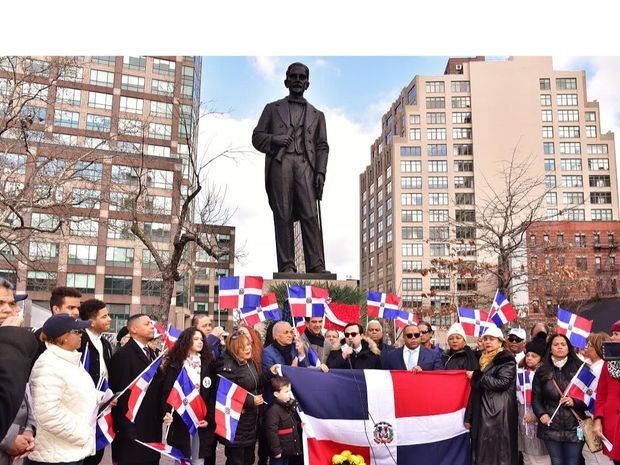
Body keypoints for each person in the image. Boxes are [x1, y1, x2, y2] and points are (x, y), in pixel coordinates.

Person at [252, 62, 330, 273]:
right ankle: (287, 265)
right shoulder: (272, 109)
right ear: (286, 81)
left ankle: (316, 265)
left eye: (301, 77)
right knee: (283, 214)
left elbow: (322, 146)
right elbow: (257, 137)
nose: (297, 81)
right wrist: (276, 139)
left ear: (307, 83)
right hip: (281, 163)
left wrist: (321, 172)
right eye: (293, 77)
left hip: (306, 165)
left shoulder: (317, 115)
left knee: (310, 215)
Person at [27, 313, 98, 465]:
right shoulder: (48, 365)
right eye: (77, 332)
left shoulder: (68, 359)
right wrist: (83, 434)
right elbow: (47, 414)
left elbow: (74, 392)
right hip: (55, 457)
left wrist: (102, 397)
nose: (82, 335)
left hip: (68, 451)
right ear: (63, 337)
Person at [218, 331, 279, 465]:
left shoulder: (248, 362)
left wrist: (269, 373)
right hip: (237, 425)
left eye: (248, 344)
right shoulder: (227, 367)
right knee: (236, 461)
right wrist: (250, 401)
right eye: (242, 346)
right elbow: (225, 394)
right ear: (234, 348)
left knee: (248, 460)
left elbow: (255, 383)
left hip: (250, 424)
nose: (248, 348)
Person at [109, 314, 161, 465]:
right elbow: (120, 393)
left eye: (151, 323)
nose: (152, 326)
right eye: (146, 324)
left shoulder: (152, 353)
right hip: (132, 430)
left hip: (151, 426)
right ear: (133, 329)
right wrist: (126, 429)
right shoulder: (123, 355)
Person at [160, 328, 216, 465]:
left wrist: (209, 417)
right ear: (186, 340)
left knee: (198, 459)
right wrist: (167, 412)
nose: (200, 342)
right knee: (181, 458)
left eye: (201, 339)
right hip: (181, 419)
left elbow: (212, 394)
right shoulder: (176, 363)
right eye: (196, 339)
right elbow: (168, 391)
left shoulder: (208, 363)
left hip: (201, 419)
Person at [464, 325, 518, 465]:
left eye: (492, 339)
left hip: (498, 414)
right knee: (484, 451)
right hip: (482, 410)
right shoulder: (482, 358)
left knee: (497, 453)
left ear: (500, 342)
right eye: (486, 339)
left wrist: (477, 376)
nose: (488, 342)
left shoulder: (506, 359)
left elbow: (502, 382)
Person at [532, 334, 588, 465]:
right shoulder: (542, 371)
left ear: (569, 347)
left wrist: (574, 401)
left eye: (563, 344)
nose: (560, 347)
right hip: (550, 425)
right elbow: (536, 398)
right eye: (556, 344)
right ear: (550, 349)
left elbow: (590, 396)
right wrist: (541, 414)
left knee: (573, 462)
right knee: (556, 462)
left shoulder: (580, 369)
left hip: (575, 425)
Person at [0, 279, 38, 462]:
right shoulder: (10, 345)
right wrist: (8, 440)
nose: (8, 310)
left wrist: (28, 430)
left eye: (11, 303)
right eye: (0, 304)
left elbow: (22, 390)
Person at [76, 299, 113, 465]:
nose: (109, 319)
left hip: (101, 408)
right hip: (82, 409)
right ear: (91, 322)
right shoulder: (79, 341)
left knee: (96, 454)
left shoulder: (105, 343)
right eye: (104, 316)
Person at [517, 336, 550, 465]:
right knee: (527, 457)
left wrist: (536, 415)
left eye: (534, 356)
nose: (529, 358)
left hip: (539, 419)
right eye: (528, 355)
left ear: (541, 358)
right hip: (523, 416)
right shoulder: (521, 373)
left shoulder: (546, 375)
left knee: (540, 458)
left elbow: (548, 401)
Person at [582, 332, 612, 465]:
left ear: (599, 348)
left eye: (590, 345)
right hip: (588, 418)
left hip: (601, 419)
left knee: (603, 456)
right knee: (588, 453)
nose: (586, 347)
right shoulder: (587, 366)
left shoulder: (603, 367)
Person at [593, 320, 620, 465]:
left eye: (616, 334)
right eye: (612, 333)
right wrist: (598, 420)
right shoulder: (608, 361)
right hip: (613, 423)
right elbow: (601, 394)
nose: (612, 337)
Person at [33, 287, 82, 362]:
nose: (77, 312)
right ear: (56, 309)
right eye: (71, 308)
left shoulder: (78, 335)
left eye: (78, 308)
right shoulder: (38, 339)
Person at [264, 376, 302, 465]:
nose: (289, 394)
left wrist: (299, 425)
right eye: (286, 391)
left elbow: (289, 423)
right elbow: (271, 432)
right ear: (276, 394)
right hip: (279, 452)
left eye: (290, 391)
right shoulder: (273, 411)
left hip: (287, 450)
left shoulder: (287, 406)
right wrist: (276, 451)